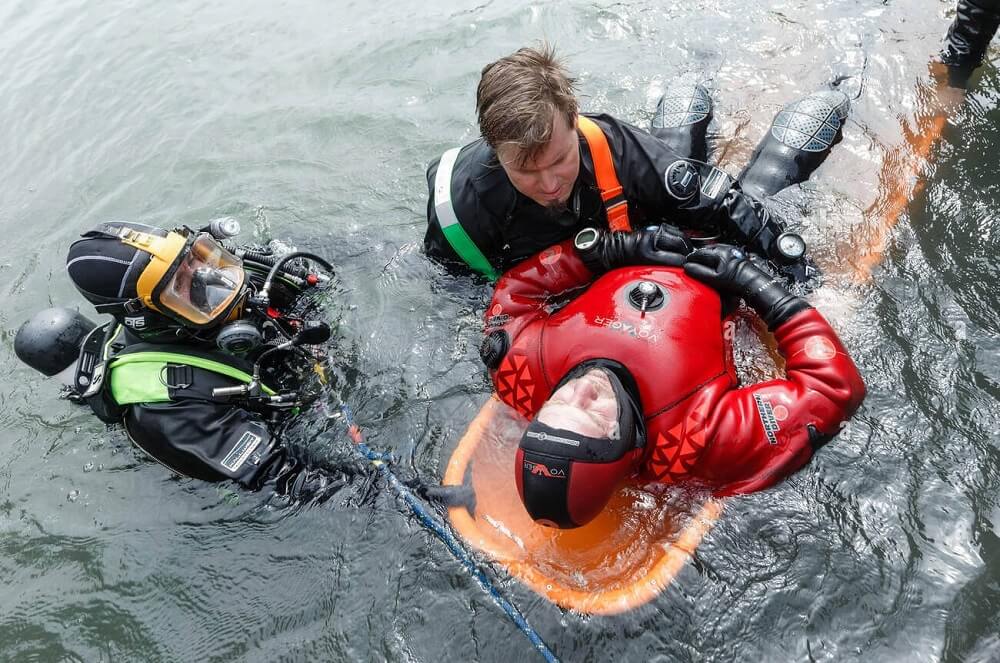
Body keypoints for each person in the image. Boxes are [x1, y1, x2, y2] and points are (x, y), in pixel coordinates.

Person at [478, 229, 866, 529]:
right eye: (593, 413)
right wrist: (758, 286)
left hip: (648, 237)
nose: (583, 389)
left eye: (558, 405)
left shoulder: (522, 376)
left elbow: (515, 289)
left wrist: (609, 250)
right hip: (732, 265)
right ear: (626, 444)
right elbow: (833, 390)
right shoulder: (691, 443)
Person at [423, 44, 850, 282]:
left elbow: (723, 204)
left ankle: (706, 78)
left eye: (559, 160)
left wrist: (802, 272)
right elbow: (456, 292)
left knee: (718, 193)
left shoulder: (611, 145)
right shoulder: (460, 216)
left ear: (575, 120)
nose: (549, 184)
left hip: (635, 230)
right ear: (494, 149)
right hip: (563, 289)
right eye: (526, 172)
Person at [15, 221, 349, 502]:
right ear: (145, 313)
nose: (209, 278)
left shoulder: (217, 279)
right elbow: (292, 482)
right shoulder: (169, 417)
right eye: (181, 285)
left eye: (195, 259)